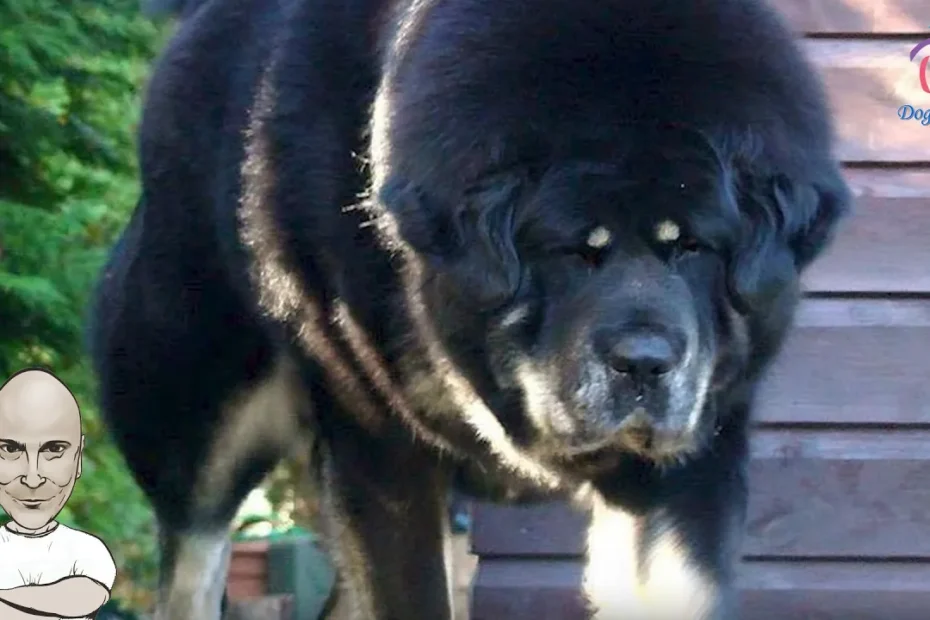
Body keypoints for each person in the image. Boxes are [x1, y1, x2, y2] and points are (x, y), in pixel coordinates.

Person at [0, 368, 117, 619]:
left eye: (53, 449)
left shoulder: (86, 550)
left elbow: (82, 597)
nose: (32, 478)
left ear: (78, 459)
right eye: (10, 449)